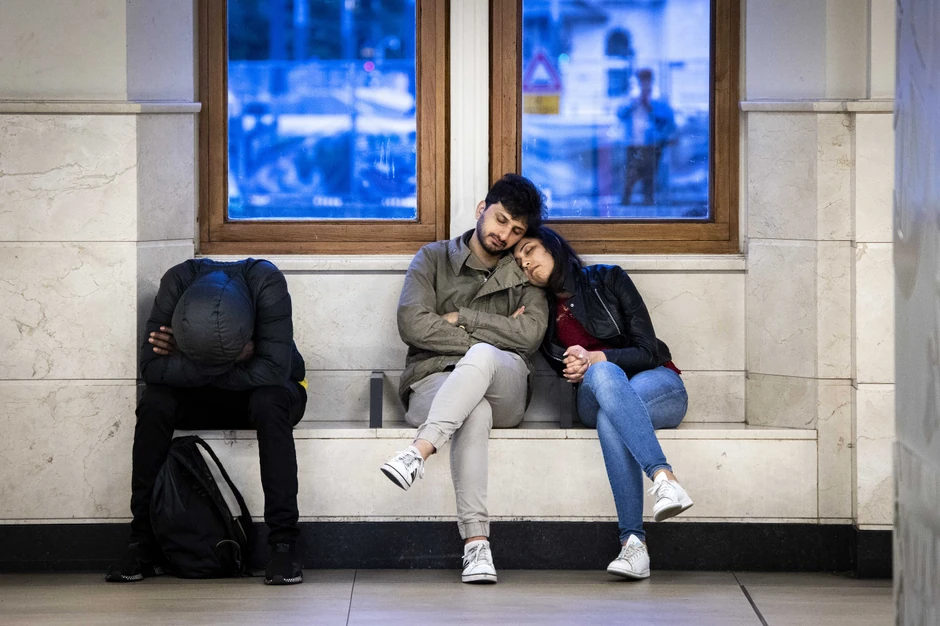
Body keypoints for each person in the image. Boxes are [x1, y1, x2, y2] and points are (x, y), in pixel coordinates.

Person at [381, 174, 549, 584]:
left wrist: (463, 319)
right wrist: (495, 330)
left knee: (485, 356)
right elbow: (412, 324)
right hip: (432, 381)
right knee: (472, 410)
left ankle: (419, 450)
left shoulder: (524, 269)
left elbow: (529, 336)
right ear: (481, 209)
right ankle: (477, 546)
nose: (505, 234)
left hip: (505, 386)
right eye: (501, 219)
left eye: (517, 230)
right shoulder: (432, 258)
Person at [106, 259, 308, 586]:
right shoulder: (177, 281)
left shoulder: (266, 282)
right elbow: (152, 369)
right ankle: (141, 541)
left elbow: (272, 371)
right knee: (155, 402)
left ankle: (284, 542)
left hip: (269, 390)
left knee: (270, 401)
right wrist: (230, 357)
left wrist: (185, 358)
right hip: (210, 387)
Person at [513, 227, 692, 580]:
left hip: (658, 385)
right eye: (519, 262)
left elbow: (647, 350)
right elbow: (567, 370)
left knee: (611, 410)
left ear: (552, 246)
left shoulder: (608, 279)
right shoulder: (542, 312)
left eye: (530, 251)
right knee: (602, 376)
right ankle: (664, 478)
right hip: (592, 398)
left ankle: (633, 547)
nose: (526, 264)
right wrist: (578, 363)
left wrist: (596, 356)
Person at [616, 68, 677, 206]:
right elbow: (620, 114)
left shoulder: (658, 99)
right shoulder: (631, 99)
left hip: (652, 144)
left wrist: (650, 107)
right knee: (630, 175)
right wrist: (634, 103)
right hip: (632, 144)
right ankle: (625, 203)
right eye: (641, 81)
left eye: (646, 81)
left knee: (649, 177)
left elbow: (668, 120)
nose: (644, 85)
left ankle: (648, 203)